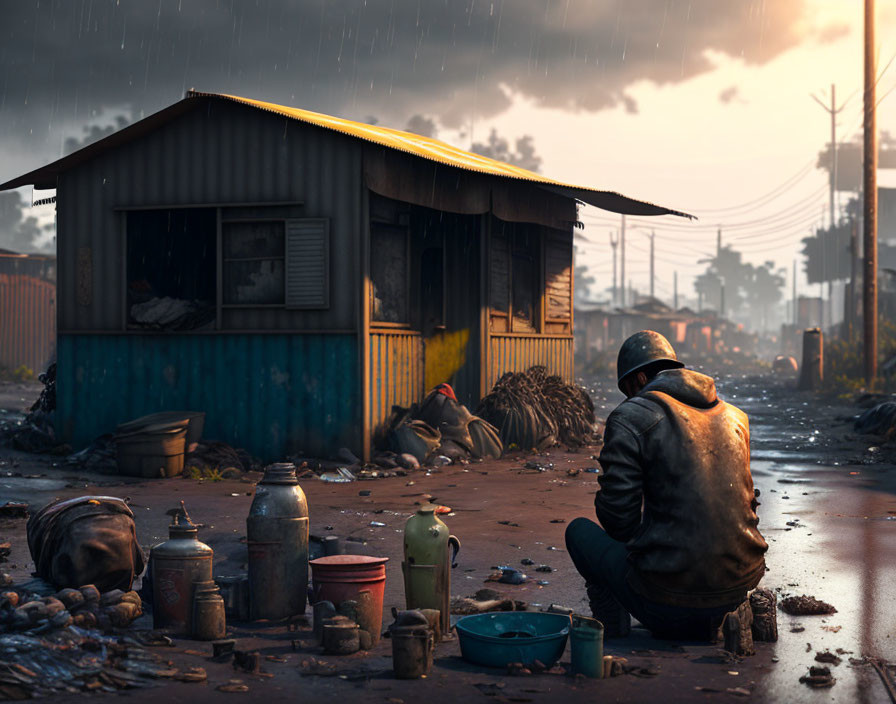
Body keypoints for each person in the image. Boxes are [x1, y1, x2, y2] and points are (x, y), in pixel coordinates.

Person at [565, 330, 768, 639]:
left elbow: (618, 521)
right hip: (737, 589)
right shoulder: (736, 418)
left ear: (640, 379)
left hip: (665, 605)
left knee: (578, 532)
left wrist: (651, 533)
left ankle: (613, 621)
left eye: (629, 390)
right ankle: (743, 610)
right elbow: (744, 505)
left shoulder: (630, 417)